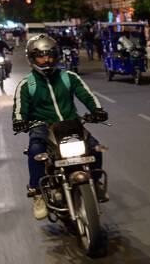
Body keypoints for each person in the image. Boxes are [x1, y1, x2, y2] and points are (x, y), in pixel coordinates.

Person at [11, 35, 109, 220]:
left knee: (95, 148)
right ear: (32, 58)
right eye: (41, 56)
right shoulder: (27, 84)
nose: (46, 60)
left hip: (71, 124)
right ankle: (37, 193)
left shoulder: (68, 77)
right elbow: (19, 109)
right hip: (42, 127)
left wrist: (97, 110)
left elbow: (87, 96)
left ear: (56, 56)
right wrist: (19, 121)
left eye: (49, 55)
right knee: (35, 152)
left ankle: (95, 183)